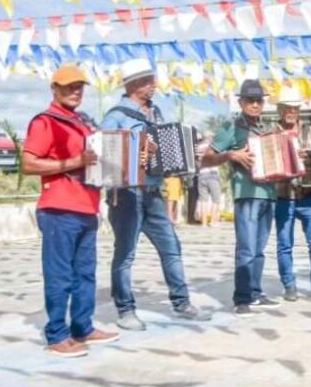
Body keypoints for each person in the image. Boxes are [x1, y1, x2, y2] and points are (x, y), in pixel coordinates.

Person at [22, 64, 120, 358]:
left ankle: (82, 327)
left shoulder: (84, 123)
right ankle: (56, 334)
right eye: (68, 86)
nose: (75, 91)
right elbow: (29, 164)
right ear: (54, 89)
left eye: (79, 86)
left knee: (85, 274)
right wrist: (74, 162)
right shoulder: (45, 122)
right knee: (60, 275)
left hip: (87, 208)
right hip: (58, 209)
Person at [101, 59, 201, 331]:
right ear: (133, 84)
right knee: (126, 254)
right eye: (148, 81)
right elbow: (105, 155)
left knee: (172, 248)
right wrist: (138, 153)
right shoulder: (116, 115)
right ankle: (125, 310)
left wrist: (172, 156)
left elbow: (163, 146)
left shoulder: (155, 113)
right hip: (125, 195)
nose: (153, 85)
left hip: (154, 191)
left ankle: (182, 303)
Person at [201, 79, 281, 316]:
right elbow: (206, 158)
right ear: (241, 102)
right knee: (246, 248)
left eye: (259, 100)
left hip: (268, 194)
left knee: (259, 248)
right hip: (246, 194)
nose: (255, 105)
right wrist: (231, 155)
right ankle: (242, 298)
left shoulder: (268, 129)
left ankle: (255, 292)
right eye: (250, 100)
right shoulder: (231, 128)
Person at [273, 89, 311, 302]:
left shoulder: (309, 132)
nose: (291, 111)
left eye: (294, 108)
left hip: (308, 195)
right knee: (284, 243)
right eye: (287, 108)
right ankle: (289, 285)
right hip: (283, 194)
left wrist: (310, 158)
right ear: (280, 110)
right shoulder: (271, 133)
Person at [196, 136, 222, 227]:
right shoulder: (214, 146)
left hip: (202, 174)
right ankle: (213, 221)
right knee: (216, 199)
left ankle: (204, 223)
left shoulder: (198, 147)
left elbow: (197, 160)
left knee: (203, 200)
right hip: (213, 174)